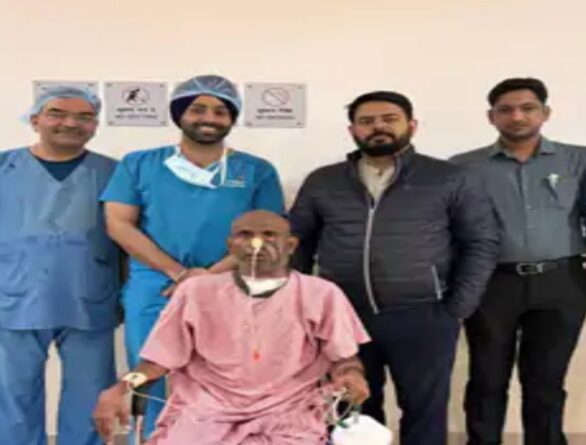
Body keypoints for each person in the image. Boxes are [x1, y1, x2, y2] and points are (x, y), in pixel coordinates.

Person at [290, 91, 498, 445]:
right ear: (352, 130)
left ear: (411, 125)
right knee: (351, 412)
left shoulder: (449, 177)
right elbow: (298, 243)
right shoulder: (323, 181)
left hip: (423, 314)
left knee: (424, 412)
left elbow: (481, 242)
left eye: (389, 119)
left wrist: (457, 307)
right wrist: (305, 305)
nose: (378, 127)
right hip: (344, 317)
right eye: (367, 121)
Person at [100, 74, 285, 438]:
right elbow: (119, 224)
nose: (209, 118)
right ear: (179, 114)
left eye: (220, 111)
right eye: (198, 109)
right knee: (148, 377)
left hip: (231, 284)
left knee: (225, 378)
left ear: (232, 119)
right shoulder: (138, 164)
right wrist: (179, 274)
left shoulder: (256, 171)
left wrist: (208, 277)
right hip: (156, 286)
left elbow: (268, 231)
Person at [93, 210, 370, 445]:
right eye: (245, 235)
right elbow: (157, 362)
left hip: (288, 417)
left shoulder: (321, 294)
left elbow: (344, 359)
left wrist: (352, 376)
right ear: (231, 245)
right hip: (205, 416)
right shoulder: (196, 292)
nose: (256, 243)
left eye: (270, 235)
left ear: (291, 245)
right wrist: (123, 387)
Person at [451, 78, 586, 445]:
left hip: (562, 280)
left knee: (546, 380)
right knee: (487, 378)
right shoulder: (464, 167)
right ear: (491, 117)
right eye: (506, 110)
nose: (517, 116)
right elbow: (453, 230)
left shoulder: (580, 160)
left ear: (545, 112)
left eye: (527, 108)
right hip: (492, 284)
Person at [0, 86, 121, 445]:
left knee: (91, 396)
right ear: (35, 120)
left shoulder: (114, 173)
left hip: (89, 296)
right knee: (12, 397)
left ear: (95, 125)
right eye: (57, 113)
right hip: (13, 297)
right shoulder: (4, 167)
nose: (71, 123)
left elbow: (130, 234)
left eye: (85, 117)